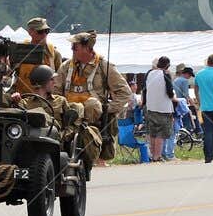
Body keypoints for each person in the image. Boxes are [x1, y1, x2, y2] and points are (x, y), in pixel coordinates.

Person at [58, 31, 131, 165]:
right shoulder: (66, 67)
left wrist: (109, 109)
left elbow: (125, 92)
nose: (72, 50)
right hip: (69, 114)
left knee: (92, 104)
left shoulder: (104, 67)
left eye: (75, 47)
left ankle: (95, 153)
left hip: (93, 116)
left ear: (87, 48)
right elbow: (55, 91)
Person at [10, 64, 100, 165]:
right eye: (51, 80)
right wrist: (15, 101)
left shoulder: (60, 101)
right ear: (42, 83)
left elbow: (71, 122)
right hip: (31, 141)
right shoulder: (24, 102)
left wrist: (64, 135)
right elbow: (17, 121)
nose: (55, 82)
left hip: (55, 140)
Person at [11, 16, 64, 96]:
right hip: (23, 98)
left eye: (47, 31)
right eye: (40, 31)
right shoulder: (21, 52)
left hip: (46, 100)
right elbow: (10, 73)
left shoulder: (53, 54)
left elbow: (59, 79)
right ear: (30, 32)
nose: (44, 34)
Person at [142, 56, 176, 162]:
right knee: (160, 134)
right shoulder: (165, 75)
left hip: (150, 107)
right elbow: (170, 92)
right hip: (163, 108)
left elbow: (144, 90)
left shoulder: (149, 74)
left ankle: (152, 155)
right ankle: (157, 156)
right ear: (167, 66)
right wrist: (175, 99)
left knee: (152, 133)